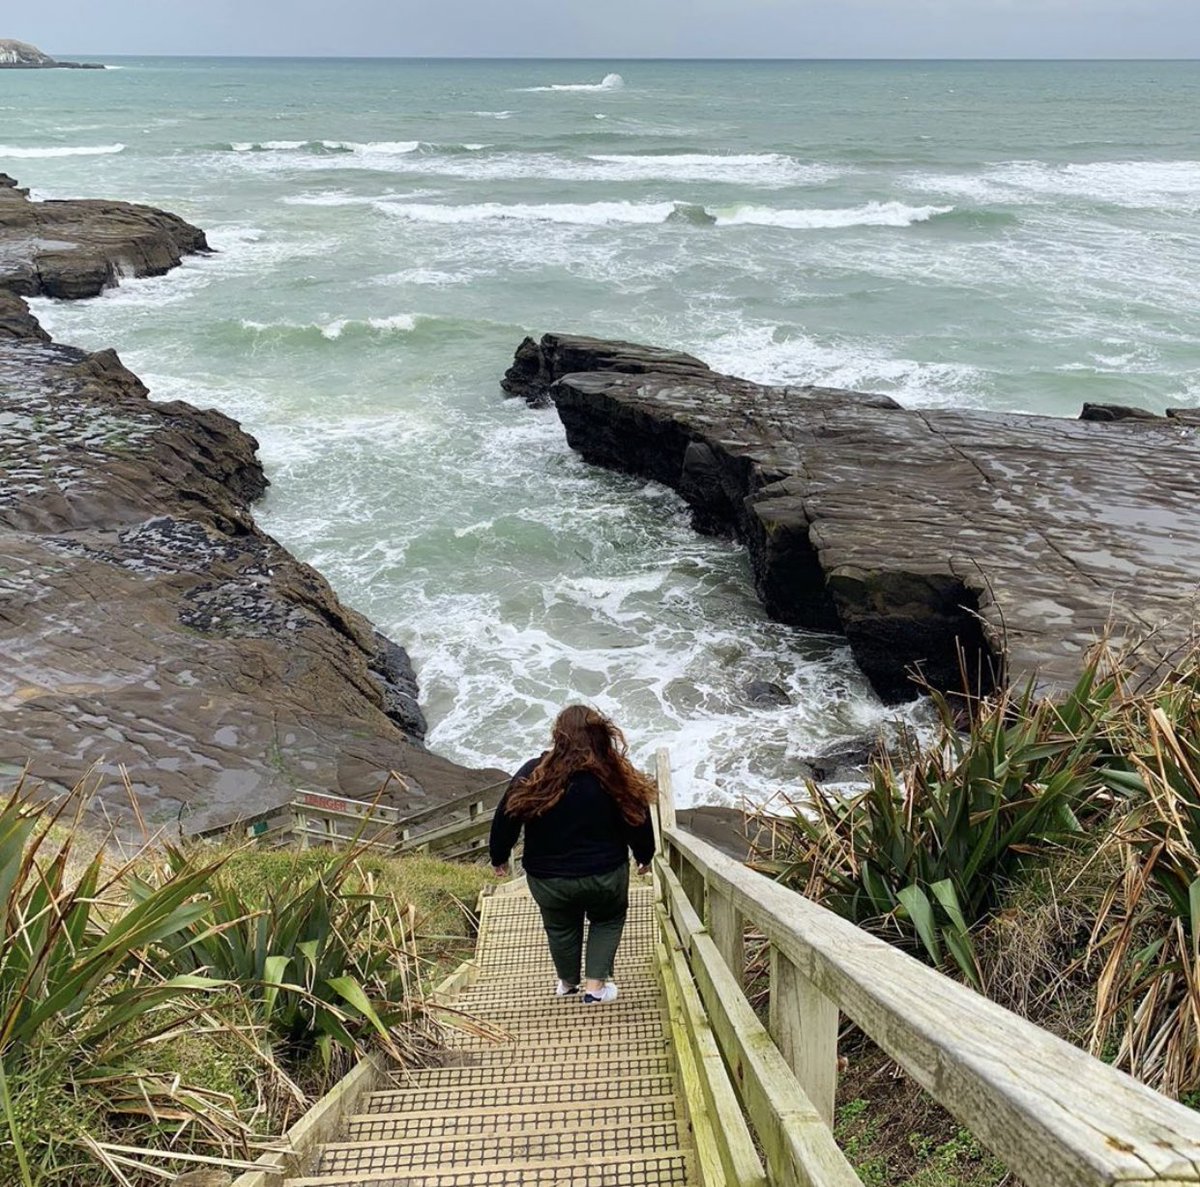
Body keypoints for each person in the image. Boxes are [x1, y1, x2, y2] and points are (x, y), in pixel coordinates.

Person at [489, 704, 657, 1004]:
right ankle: (595, 989)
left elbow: (506, 816)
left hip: (548, 878)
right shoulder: (614, 773)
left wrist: (499, 855)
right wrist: (645, 853)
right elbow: (637, 816)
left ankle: (567, 984)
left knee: (560, 926)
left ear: (559, 735)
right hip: (604, 874)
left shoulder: (533, 773)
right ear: (600, 736)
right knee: (607, 920)